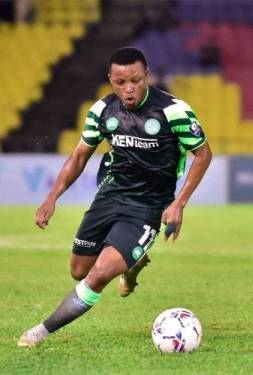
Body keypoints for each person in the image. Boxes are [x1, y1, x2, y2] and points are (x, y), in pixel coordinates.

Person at [18, 47, 212, 347]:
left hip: (148, 207)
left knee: (97, 275)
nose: (128, 89)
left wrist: (179, 203)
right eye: (120, 82)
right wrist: (52, 197)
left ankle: (40, 331)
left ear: (146, 75)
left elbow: (203, 154)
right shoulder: (102, 110)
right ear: (110, 79)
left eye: (135, 80)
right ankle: (133, 262)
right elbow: (80, 155)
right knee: (78, 271)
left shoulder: (173, 111)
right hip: (110, 196)